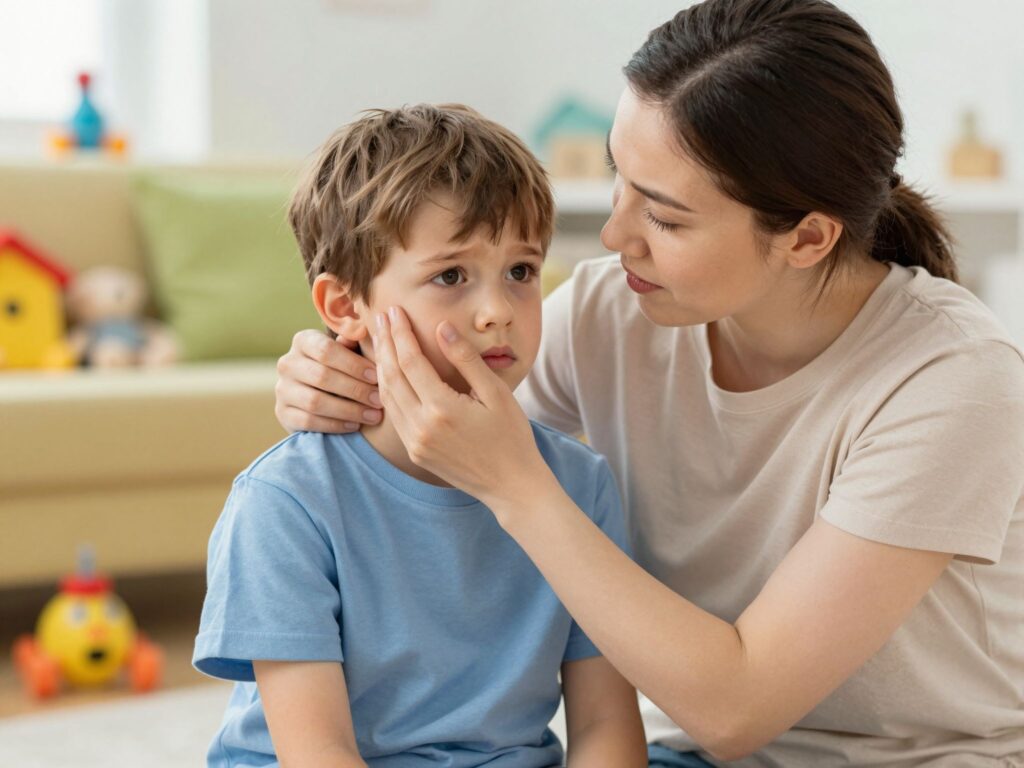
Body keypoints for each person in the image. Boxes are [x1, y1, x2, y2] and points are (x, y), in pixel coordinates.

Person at [273, 1, 1024, 766]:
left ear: (806, 237)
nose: (613, 234)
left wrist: (518, 486)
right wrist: (343, 381)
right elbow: (436, 448)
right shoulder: (612, 311)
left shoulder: (954, 378)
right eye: (619, 181)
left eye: (664, 217)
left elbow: (736, 709)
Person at [192, 104, 647, 768]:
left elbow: (607, 724)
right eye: (451, 277)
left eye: (520, 271)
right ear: (347, 309)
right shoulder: (285, 503)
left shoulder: (580, 487)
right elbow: (315, 751)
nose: (497, 312)